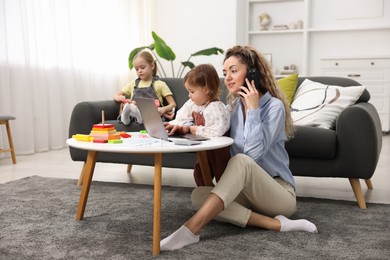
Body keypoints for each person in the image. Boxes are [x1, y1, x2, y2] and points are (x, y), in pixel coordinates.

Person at [160, 45, 318, 251]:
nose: (227, 78)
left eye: (234, 71)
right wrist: (191, 126)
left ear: (252, 73)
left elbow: (252, 156)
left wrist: (253, 110)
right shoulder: (233, 107)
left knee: (241, 160)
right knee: (199, 196)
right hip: (244, 193)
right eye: (225, 73)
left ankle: (191, 230)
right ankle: (276, 224)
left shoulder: (274, 107)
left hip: (277, 194)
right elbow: (215, 131)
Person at [165, 64, 230, 137]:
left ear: (206, 90)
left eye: (192, 91)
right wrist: (171, 125)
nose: (189, 95)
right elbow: (181, 118)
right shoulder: (193, 103)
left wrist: (195, 129)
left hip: (215, 146)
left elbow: (218, 131)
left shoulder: (216, 108)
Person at [114, 50, 176, 125]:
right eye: (137, 69)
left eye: (142, 68)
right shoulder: (133, 83)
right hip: (134, 112)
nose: (139, 71)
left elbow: (173, 104)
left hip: (151, 114)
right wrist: (119, 98)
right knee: (131, 107)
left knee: (134, 108)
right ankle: (126, 118)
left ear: (152, 66)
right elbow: (116, 95)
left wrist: (163, 109)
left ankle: (137, 116)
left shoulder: (160, 84)